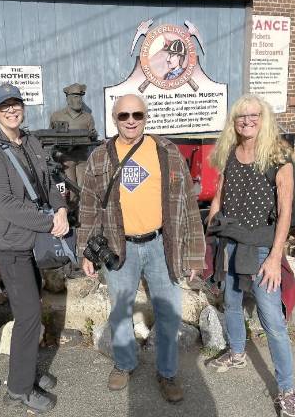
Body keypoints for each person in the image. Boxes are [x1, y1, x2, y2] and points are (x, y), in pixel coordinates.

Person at [77, 94, 205, 402]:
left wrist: (194, 255)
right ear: (115, 119)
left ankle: (168, 372)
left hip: (162, 243)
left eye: (137, 114)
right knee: (120, 310)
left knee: (169, 312)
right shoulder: (100, 156)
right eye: (124, 116)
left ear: (146, 117)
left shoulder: (167, 152)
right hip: (119, 247)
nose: (131, 120)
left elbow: (187, 205)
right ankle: (124, 363)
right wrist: (85, 250)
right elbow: (89, 205)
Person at [206, 94, 295, 417]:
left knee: (272, 320)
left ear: (264, 119)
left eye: (253, 116)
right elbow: (220, 191)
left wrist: (275, 257)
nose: (246, 121)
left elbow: (285, 212)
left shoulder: (278, 157)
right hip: (231, 241)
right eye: (241, 116)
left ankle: (287, 390)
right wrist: (213, 224)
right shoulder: (231, 152)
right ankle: (236, 352)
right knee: (231, 302)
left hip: (262, 247)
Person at [0, 83, 68, 414]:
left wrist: (60, 208)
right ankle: (19, 389)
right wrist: (50, 224)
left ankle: (27, 370)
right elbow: (4, 204)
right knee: (29, 315)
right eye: (4, 107)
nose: (12, 110)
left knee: (32, 311)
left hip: (33, 241)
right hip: (11, 245)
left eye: (16, 104)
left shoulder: (31, 141)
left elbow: (49, 184)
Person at [49, 83, 97, 204]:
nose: (79, 100)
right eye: (75, 96)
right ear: (68, 99)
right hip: (66, 159)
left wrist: (92, 135)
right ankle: (70, 216)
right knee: (70, 190)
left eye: (80, 96)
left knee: (83, 189)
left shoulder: (88, 117)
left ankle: (81, 217)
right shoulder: (57, 116)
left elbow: (93, 137)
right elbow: (50, 136)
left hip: (82, 158)